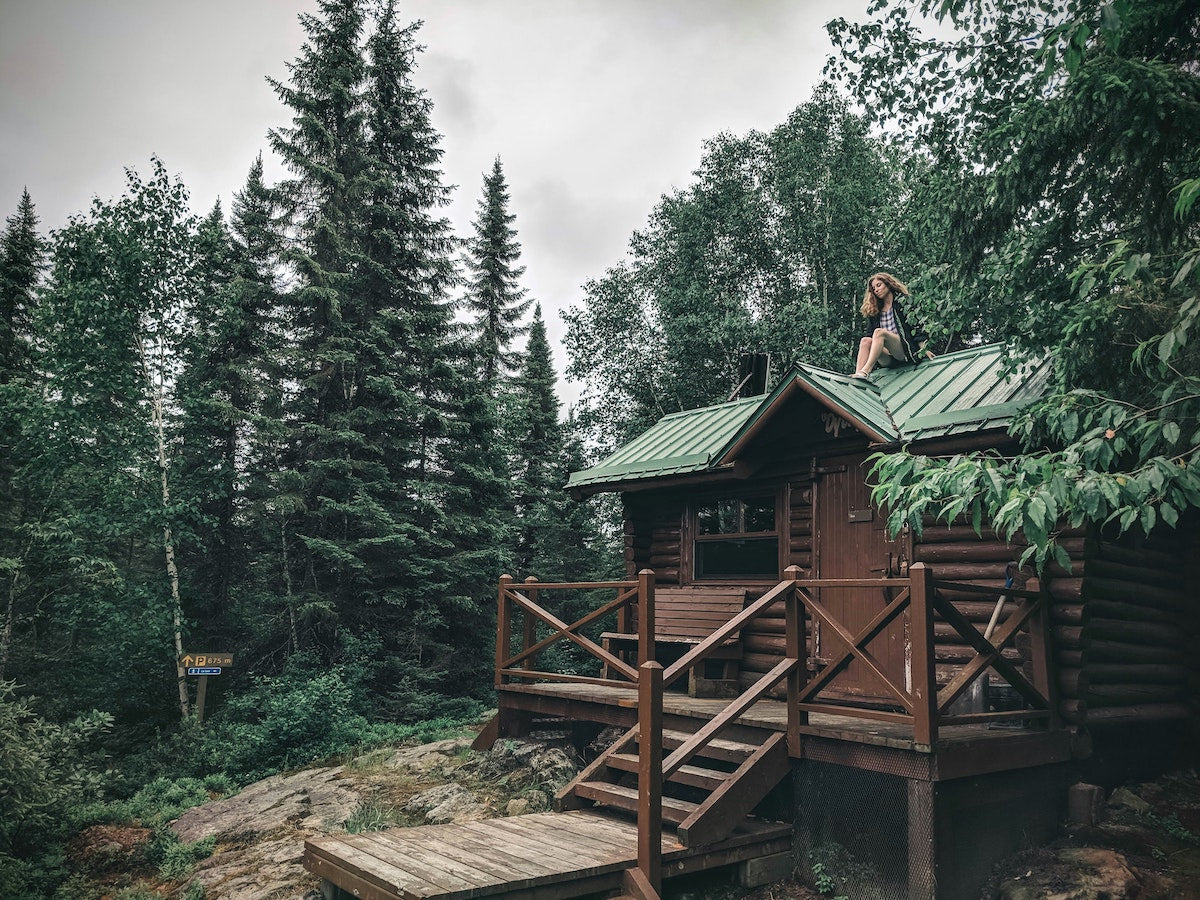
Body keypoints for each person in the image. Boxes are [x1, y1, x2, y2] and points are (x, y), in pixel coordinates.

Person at [852, 272, 929, 379]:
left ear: (888, 284)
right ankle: (858, 375)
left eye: (879, 285)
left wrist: (924, 349)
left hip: (904, 352)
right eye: (873, 289)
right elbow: (870, 335)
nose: (876, 290)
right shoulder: (876, 310)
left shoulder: (903, 302)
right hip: (887, 358)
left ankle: (866, 371)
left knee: (879, 332)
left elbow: (917, 327)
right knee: (865, 340)